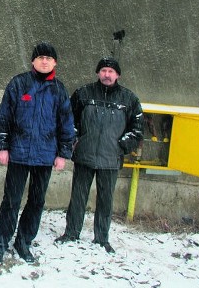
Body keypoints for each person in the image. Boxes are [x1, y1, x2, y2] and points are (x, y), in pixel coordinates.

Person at [0, 42, 76, 264]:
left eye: (48, 58)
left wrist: (63, 154)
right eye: (40, 58)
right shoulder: (19, 84)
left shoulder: (59, 90)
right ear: (33, 61)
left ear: (55, 62)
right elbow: (4, 117)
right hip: (18, 153)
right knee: (11, 200)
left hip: (45, 156)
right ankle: (0, 243)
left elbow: (66, 124)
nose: (44, 61)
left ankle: (24, 242)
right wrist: (2, 147)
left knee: (36, 201)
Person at [54, 57, 143, 254]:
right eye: (103, 71)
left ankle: (102, 238)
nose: (107, 75)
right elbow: (69, 120)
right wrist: (75, 140)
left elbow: (137, 130)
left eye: (111, 71)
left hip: (111, 159)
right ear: (97, 73)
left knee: (105, 200)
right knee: (78, 197)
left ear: (117, 75)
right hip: (84, 155)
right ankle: (71, 233)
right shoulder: (83, 94)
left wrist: (121, 146)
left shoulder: (129, 99)